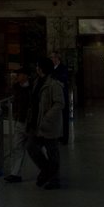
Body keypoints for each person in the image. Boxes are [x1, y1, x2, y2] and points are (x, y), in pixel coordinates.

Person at [26, 56, 64, 189]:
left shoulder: (54, 84)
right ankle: (47, 170)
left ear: (42, 68)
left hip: (48, 124)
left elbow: (59, 103)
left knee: (52, 151)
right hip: (36, 123)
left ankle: (54, 179)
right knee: (31, 147)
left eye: (38, 66)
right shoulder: (37, 82)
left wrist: (47, 117)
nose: (36, 68)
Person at [3, 68, 32, 183]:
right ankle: (15, 173)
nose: (17, 77)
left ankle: (47, 170)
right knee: (17, 146)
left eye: (19, 75)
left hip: (30, 121)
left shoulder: (33, 88)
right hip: (20, 120)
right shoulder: (15, 88)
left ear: (25, 76)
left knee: (34, 147)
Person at [50, 50, 71, 144]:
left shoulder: (63, 68)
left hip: (62, 95)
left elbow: (64, 79)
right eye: (51, 57)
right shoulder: (51, 69)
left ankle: (64, 137)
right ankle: (57, 136)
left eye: (53, 57)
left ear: (57, 58)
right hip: (54, 95)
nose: (52, 59)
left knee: (64, 117)